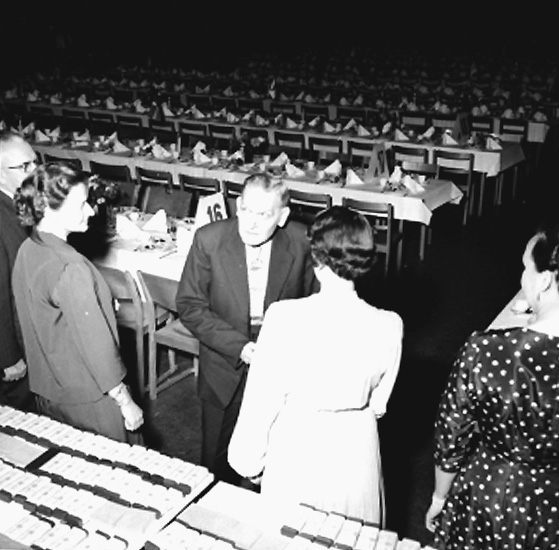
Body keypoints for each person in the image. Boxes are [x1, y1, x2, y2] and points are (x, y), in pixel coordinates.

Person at [228, 206, 403, 523]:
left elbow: (261, 402)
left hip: (299, 445)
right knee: (352, 535)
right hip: (357, 449)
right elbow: (379, 404)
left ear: (317, 259)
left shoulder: (284, 317)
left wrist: (249, 463)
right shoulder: (390, 324)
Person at [176, 173, 318, 484]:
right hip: (224, 356)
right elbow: (190, 305)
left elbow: (315, 305)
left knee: (276, 458)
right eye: (246, 210)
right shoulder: (209, 239)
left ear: (282, 216)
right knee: (216, 462)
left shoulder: (302, 241)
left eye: (264, 214)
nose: (251, 223)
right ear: (238, 205)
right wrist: (240, 347)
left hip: (281, 360)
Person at [425, 222, 559, 549]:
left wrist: (440, 497)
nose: (522, 278)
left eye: (526, 268)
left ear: (544, 280)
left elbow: (451, 438)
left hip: (492, 497)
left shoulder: (486, 351)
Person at [12, 163, 144, 442]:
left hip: (49, 391)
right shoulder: (71, 266)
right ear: (49, 209)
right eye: (82, 204)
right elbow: (98, 348)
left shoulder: (28, 249)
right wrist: (125, 401)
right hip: (92, 398)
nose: (91, 211)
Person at [0, 131, 37, 410]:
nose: (35, 171)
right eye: (25, 166)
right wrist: (8, 356)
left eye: (35, 162)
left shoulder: (16, 203)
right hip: (13, 345)